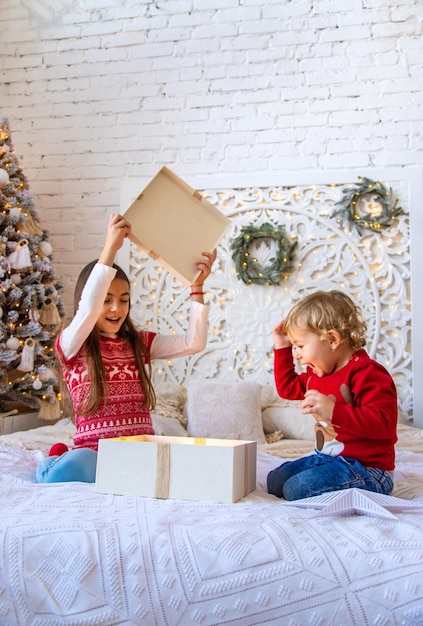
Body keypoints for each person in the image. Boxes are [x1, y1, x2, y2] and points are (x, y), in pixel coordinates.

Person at [36, 212, 217, 483]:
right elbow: (88, 308)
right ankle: (55, 458)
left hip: (138, 453)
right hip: (96, 455)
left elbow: (194, 342)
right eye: (106, 299)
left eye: (123, 299)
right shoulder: (72, 344)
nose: (116, 308)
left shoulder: (138, 343)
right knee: (69, 469)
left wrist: (197, 288)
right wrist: (110, 249)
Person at [267, 290, 398, 501]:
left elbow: (384, 425)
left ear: (332, 339)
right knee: (275, 481)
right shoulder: (317, 375)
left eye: (300, 346)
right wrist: (282, 347)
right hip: (328, 460)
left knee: (296, 488)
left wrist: (333, 411)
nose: (297, 354)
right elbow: (287, 388)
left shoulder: (367, 372)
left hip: (369, 470)